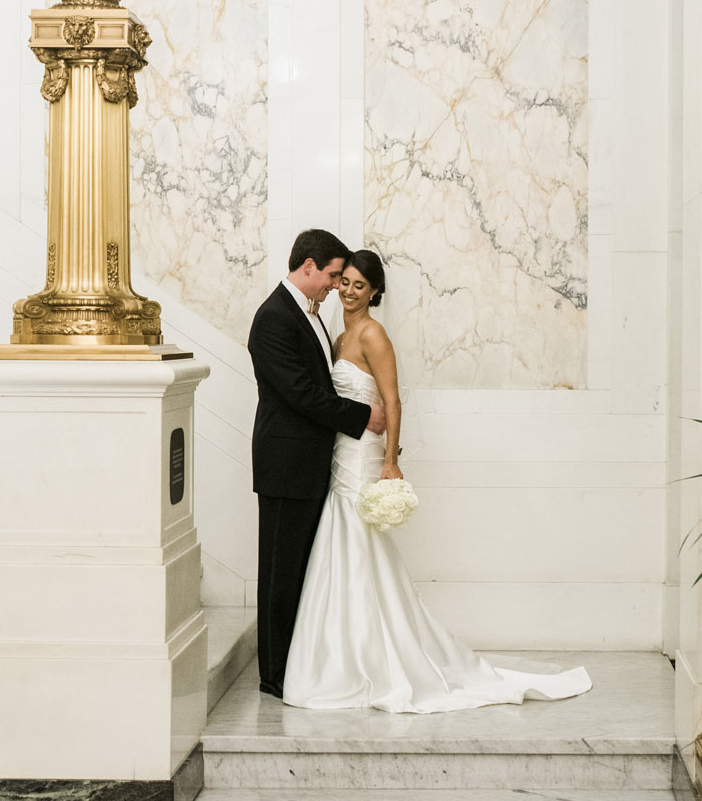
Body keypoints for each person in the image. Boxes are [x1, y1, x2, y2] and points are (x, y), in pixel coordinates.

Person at [281, 249, 592, 712]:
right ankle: (345, 652)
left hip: (365, 457)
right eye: (343, 281)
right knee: (345, 543)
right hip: (339, 451)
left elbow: (393, 402)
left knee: (357, 537)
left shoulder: (373, 334)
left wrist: (390, 462)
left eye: (358, 286)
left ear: (375, 292)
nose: (347, 291)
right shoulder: (339, 333)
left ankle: (375, 657)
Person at [247, 230, 385, 699]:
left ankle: (297, 663)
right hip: (285, 466)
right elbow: (303, 394)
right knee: (279, 574)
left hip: (309, 465)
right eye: (331, 276)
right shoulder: (272, 319)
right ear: (308, 266)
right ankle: (274, 676)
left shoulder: (307, 315)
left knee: (301, 573)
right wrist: (363, 417)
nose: (334, 286)